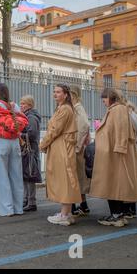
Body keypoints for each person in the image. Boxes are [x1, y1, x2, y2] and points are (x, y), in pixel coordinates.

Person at [90, 88, 137, 227]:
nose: (103, 101)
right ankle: (118, 215)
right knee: (112, 184)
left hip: (115, 154)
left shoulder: (118, 109)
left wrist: (120, 148)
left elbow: (121, 130)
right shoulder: (115, 109)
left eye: (105, 98)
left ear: (111, 97)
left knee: (113, 184)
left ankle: (117, 215)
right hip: (112, 153)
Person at [0, 84, 28, 217]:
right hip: (14, 142)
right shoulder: (13, 106)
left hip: (1, 141)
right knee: (16, 175)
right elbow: (24, 120)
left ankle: (6, 209)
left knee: (2, 176)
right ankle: (18, 207)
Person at [40, 84, 81, 226]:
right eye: (54, 92)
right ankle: (67, 213)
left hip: (62, 147)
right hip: (63, 146)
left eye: (58, 92)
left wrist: (42, 144)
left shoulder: (64, 109)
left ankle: (64, 214)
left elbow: (54, 130)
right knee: (66, 178)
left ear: (65, 94)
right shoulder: (64, 108)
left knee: (65, 179)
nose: (55, 94)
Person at [70, 86, 91, 217]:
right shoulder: (76, 108)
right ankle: (83, 206)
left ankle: (73, 207)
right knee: (77, 178)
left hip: (75, 149)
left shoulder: (77, 108)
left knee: (73, 178)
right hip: (77, 148)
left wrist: (77, 146)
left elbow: (84, 126)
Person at [19, 95, 42, 212]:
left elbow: (32, 134)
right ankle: (26, 200)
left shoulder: (31, 117)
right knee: (26, 175)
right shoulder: (27, 116)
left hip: (30, 151)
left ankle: (31, 201)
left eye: (23, 104)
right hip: (28, 150)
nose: (21, 106)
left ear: (29, 105)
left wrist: (20, 134)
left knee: (30, 176)